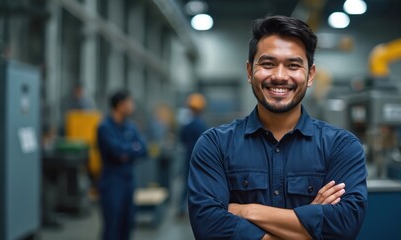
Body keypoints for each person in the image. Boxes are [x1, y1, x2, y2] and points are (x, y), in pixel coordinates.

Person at [188, 15, 367, 240]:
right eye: (268, 64)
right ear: (249, 71)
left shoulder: (342, 146)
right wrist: (310, 226)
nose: (280, 76)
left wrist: (247, 211)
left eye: (293, 65)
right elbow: (208, 228)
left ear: (310, 75)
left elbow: (344, 226)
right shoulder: (214, 145)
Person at [96, 90, 147, 240]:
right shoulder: (105, 127)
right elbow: (117, 152)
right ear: (120, 105)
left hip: (128, 182)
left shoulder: (131, 126)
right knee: (112, 227)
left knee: (127, 224)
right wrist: (131, 149)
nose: (133, 106)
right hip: (112, 183)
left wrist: (127, 152)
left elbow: (143, 149)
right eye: (130, 102)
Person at [178, 93, 208, 217]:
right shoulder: (201, 124)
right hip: (200, 157)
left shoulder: (187, 124)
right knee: (200, 184)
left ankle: (181, 208)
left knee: (186, 183)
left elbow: (182, 139)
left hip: (188, 156)